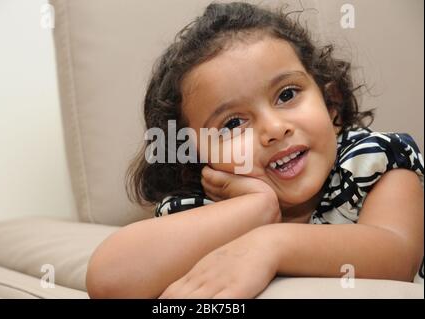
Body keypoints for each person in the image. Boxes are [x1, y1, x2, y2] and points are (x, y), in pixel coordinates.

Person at [86, 2, 424, 298]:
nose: (275, 130)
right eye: (233, 124)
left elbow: (396, 255)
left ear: (330, 103)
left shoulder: (375, 162)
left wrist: (271, 245)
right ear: (194, 159)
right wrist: (258, 208)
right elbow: (110, 282)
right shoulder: (208, 207)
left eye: (287, 94)